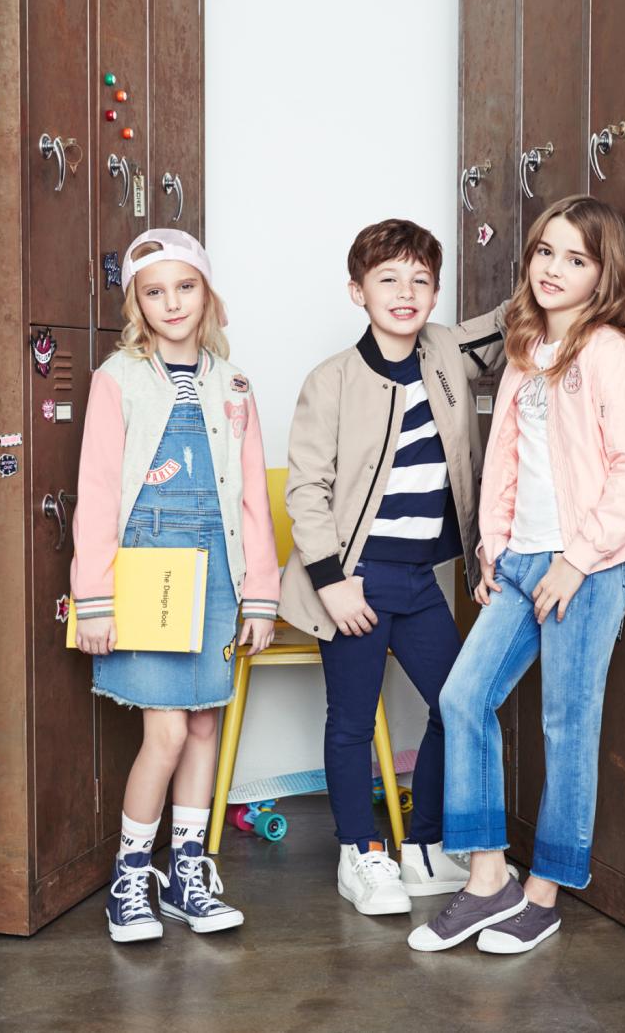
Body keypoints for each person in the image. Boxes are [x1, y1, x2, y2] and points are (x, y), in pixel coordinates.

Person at [409, 196, 625, 954]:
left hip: (587, 568)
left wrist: (576, 560)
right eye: (545, 252)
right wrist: (492, 549)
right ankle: (489, 879)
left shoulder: (610, 353)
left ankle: (545, 893)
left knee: (567, 725)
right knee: (463, 697)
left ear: (602, 275)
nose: (553, 269)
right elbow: (507, 464)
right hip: (521, 561)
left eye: (575, 259)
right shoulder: (526, 350)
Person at [279, 218, 510, 915]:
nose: (405, 292)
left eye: (420, 280)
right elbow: (306, 491)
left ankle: (425, 846)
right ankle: (359, 853)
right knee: (351, 721)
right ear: (358, 291)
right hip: (355, 579)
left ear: (435, 293)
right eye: (387, 279)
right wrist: (332, 585)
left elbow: (514, 322)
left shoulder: (446, 351)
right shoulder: (331, 380)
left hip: (419, 580)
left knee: (458, 703)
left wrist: (558, 268)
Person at [70, 229, 279, 943]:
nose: (172, 303)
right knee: (163, 732)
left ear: (207, 292)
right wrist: (95, 599)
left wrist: (260, 596)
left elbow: (250, 498)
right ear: (138, 303)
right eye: (154, 292)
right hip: (147, 573)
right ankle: (130, 878)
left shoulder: (234, 384)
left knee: (203, 725)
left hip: (217, 572)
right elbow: (98, 491)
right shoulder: (117, 379)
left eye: (185, 287)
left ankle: (186, 875)